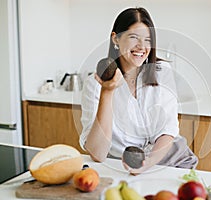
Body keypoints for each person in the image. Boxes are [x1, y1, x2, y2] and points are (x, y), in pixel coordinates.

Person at [80, 7, 198, 175]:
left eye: (148, 40)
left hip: (168, 162)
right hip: (121, 169)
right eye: (133, 37)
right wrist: (107, 92)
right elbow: (98, 154)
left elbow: (167, 129)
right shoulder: (94, 84)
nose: (142, 47)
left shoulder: (162, 71)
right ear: (116, 39)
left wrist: (147, 163)